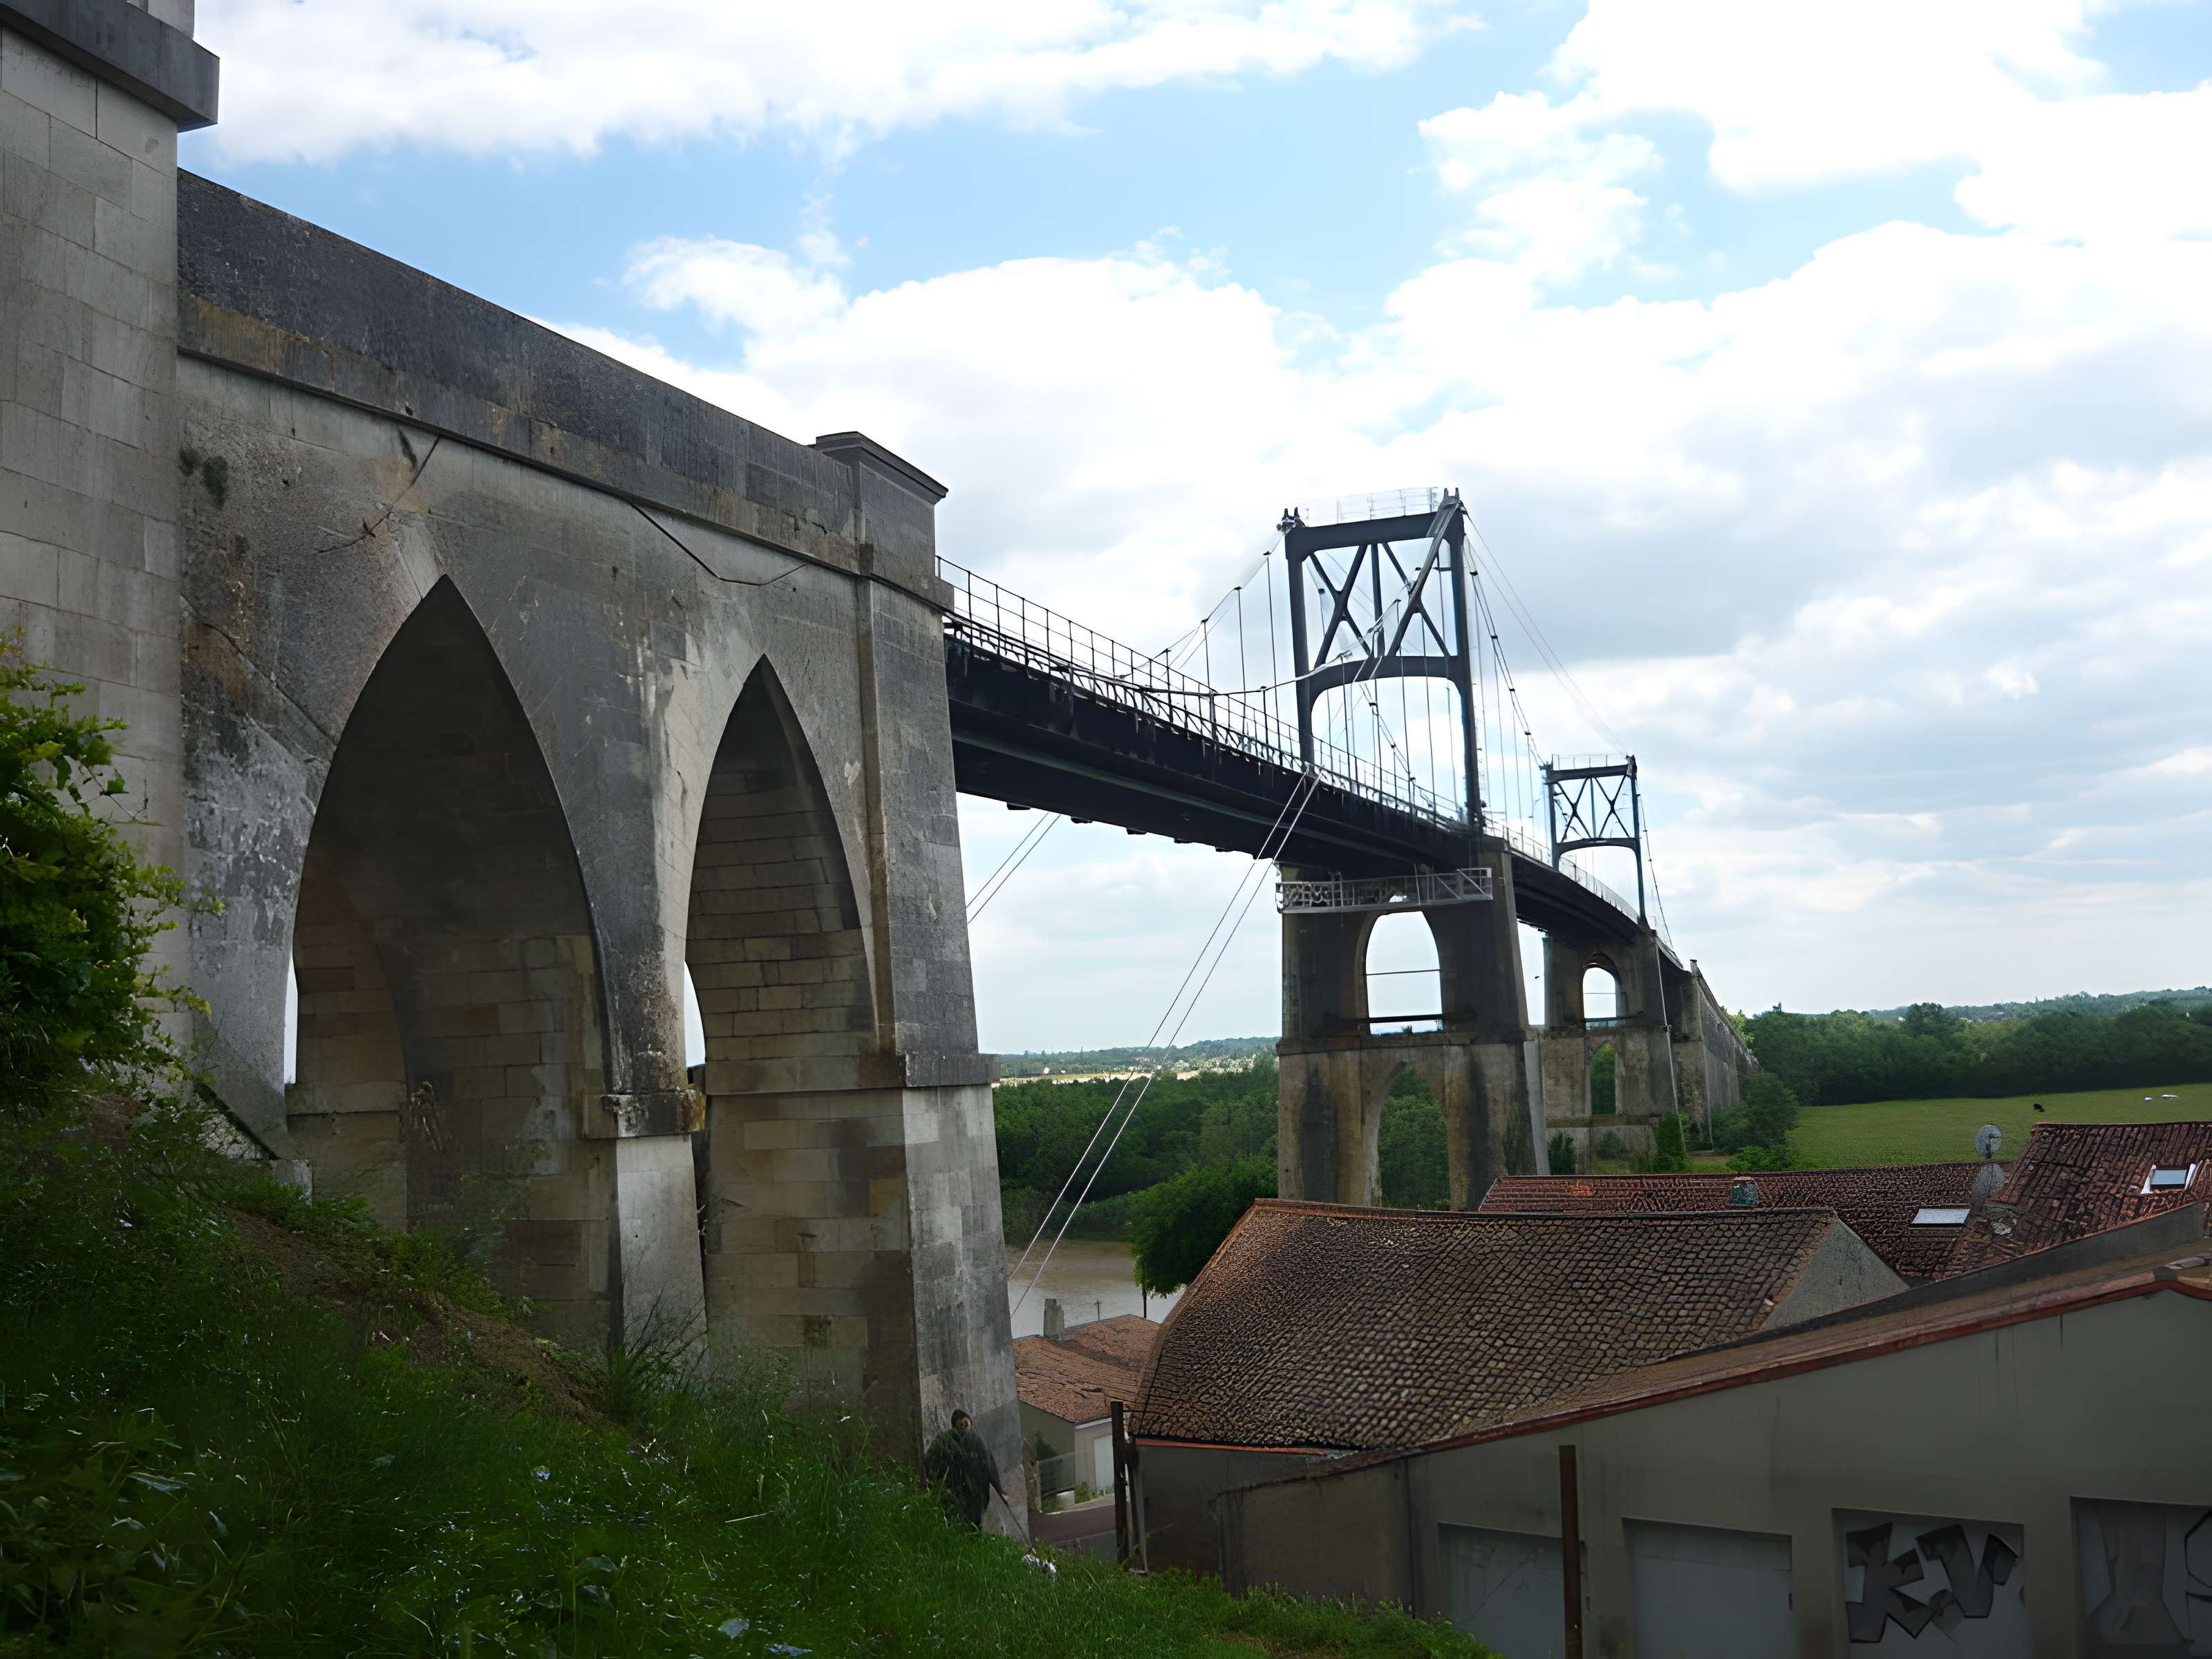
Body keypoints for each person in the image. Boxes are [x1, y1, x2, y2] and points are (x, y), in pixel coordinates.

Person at [924, 1408, 1006, 1529]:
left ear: (971, 1424)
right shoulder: (945, 1443)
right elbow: (932, 1464)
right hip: (956, 1492)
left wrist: (1000, 1490)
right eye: (960, 1425)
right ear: (954, 1427)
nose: (964, 1428)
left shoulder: (978, 1443)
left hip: (977, 1493)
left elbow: (990, 1467)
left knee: (976, 1523)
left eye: (966, 1424)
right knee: (958, 1523)